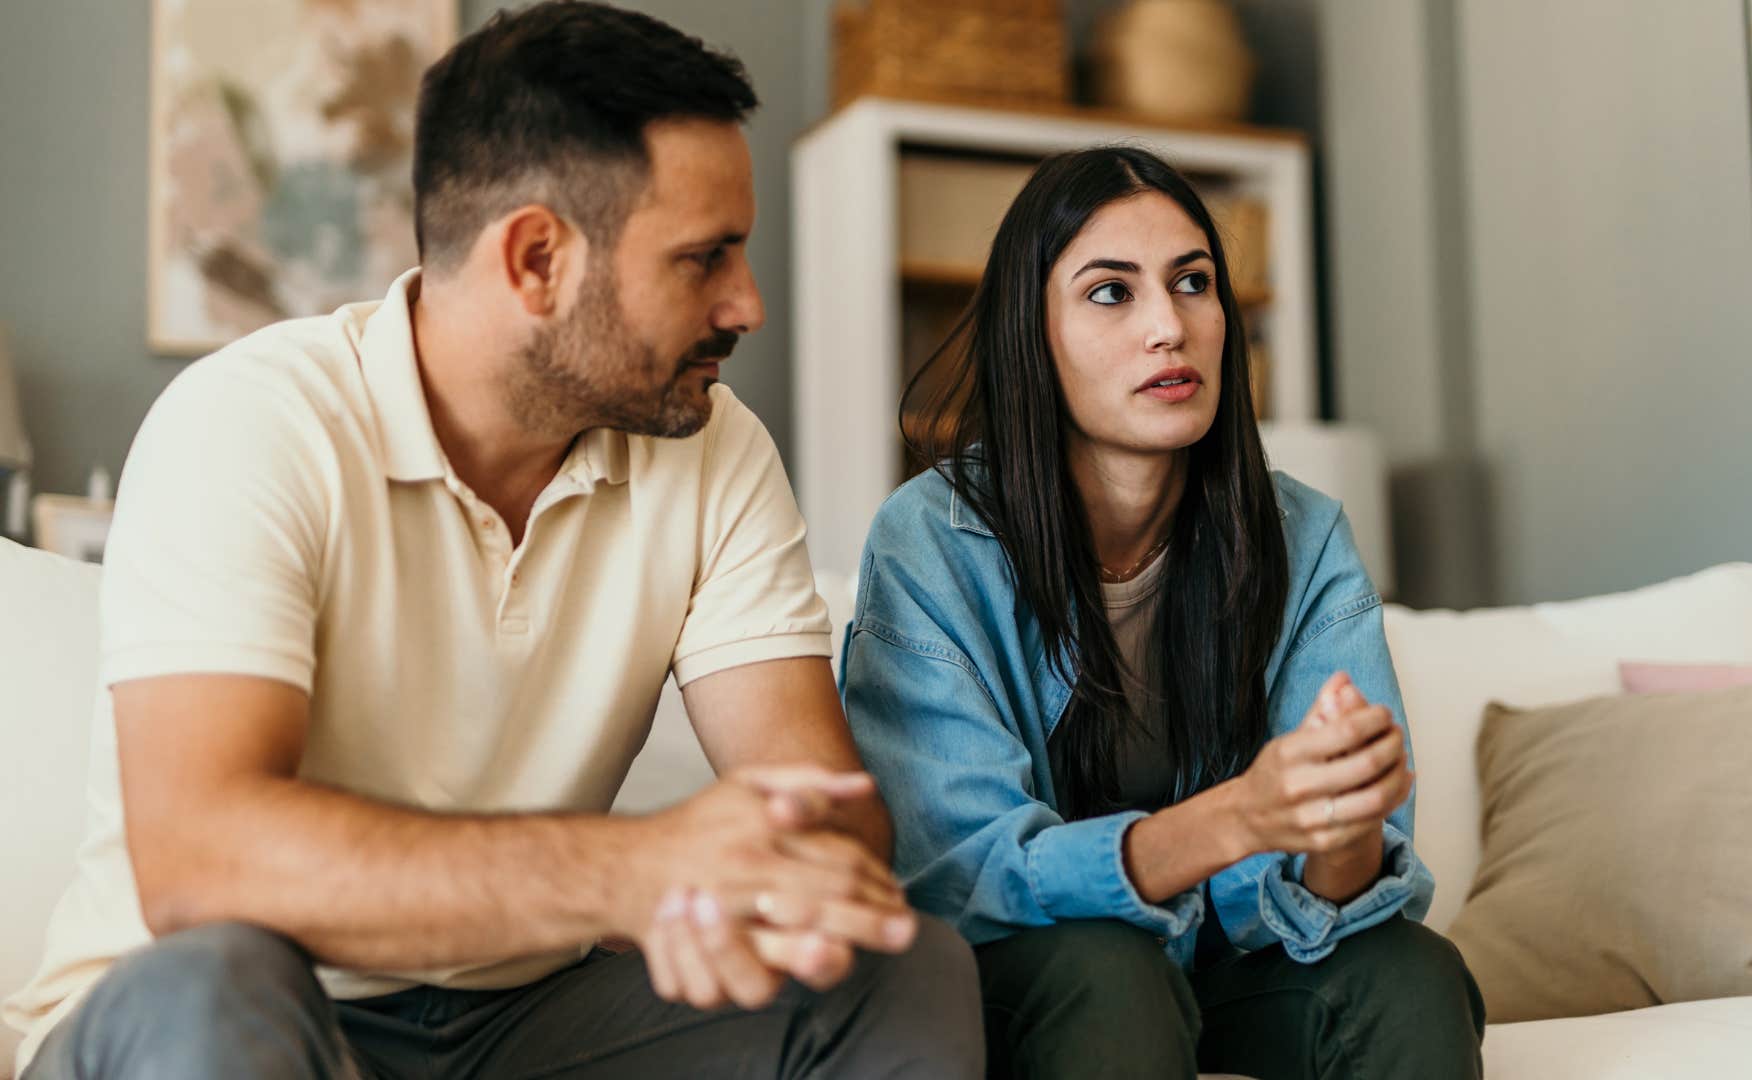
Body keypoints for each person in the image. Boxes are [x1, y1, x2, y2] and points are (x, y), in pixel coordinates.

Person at [3, 4, 983, 1077]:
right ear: (535, 260)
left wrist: (752, 884)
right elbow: (204, 861)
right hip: (227, 1009)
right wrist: (621, 870)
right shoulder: (250, 423)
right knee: (219, 978)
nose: (745, 303)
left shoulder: (711, 447)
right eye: (704, 259)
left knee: (902, 971)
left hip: (522, 1022)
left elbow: (829, 826)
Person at [839, 146, 1485, 1080]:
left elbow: (1335, 896)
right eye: (1112, 292)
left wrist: (1338, 832)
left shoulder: (1303, 536)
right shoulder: (930, 541)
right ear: (1033, 332)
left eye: (1193, 284)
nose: (1169, 328)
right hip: (1028, 967)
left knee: (1411, 972)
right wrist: (1238, 818)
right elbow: (958, 874)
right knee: (1111, 969)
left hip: (1223, 965)